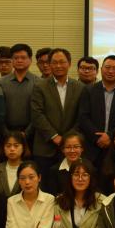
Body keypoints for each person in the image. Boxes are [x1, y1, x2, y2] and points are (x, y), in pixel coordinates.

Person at [30, 47, 83, 189]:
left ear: (69, 63)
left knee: (70, 186)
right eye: (54, 62)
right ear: (49, 64)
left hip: (71, 148)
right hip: (45, 147)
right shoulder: (39, 86)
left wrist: (68, 139)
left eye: (62, 62)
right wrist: (54, 136)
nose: (58, 66)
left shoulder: (80, 87)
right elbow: (37, 114)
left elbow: (81, 116)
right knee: (46, 187)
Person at [77, 54, 115, 171]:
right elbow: (83, 117)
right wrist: (98, 138)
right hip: (91, 146)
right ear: (101, 69)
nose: (111, 71)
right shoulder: (88, 90)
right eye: (107, 67)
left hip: (114, 146)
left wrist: (110, 135)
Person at [0, 43, 39, 142]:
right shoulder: (1, 83)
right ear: (12, 60)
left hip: (33, 135)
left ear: (30, 60)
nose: (19, 60)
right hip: (5, 135)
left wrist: (27, 133)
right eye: (16, 58)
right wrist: (6, 133)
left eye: (23, 57)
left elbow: (40, 113)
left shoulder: (39, 83)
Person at [57, 159, 104, 228]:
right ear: (70, 177)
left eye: (85, 175)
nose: (80, 179)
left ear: (91, 178)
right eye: (76, 174)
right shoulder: (59, 201)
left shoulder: (101, 201)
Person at [6, 162, 57, 228]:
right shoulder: (11, 201)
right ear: (18, 180)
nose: (27, 182)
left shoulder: (49, 199)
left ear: (39, 178)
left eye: (31, 177)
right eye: (22, 178)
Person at [0, 130, 29, 197]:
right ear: (3, 148)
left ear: (23, 148)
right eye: (8, 146)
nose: (12, 149)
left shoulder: (30, 169)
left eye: (16, 146)